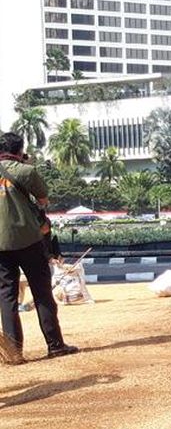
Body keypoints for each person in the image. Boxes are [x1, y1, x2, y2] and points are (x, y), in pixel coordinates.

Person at [0, 132, 77, 364]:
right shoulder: (26, 171)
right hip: (29, 240)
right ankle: (55, 345)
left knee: (7, 297)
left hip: (0, 245)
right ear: (20, 149)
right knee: (42, 292)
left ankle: (14, 353)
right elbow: (43, 201)